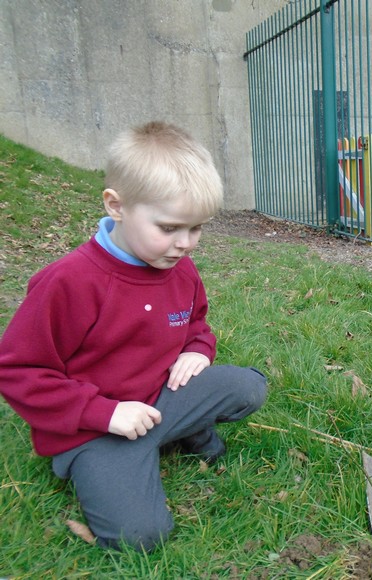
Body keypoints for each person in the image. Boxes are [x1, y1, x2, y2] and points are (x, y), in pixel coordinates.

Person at [0, 121, 267, 551]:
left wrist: (197, 350)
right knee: (140, 535)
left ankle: (172, 433)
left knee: (248, 387)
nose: (185, 243)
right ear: (117, 205)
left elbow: (196, 322)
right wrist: (103, 413)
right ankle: (145, 451)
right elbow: (18, 370)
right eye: (169, 228)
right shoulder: (69, 282)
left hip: (158, 399)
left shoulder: (177, 266)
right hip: (96, 427)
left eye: (196, 228)